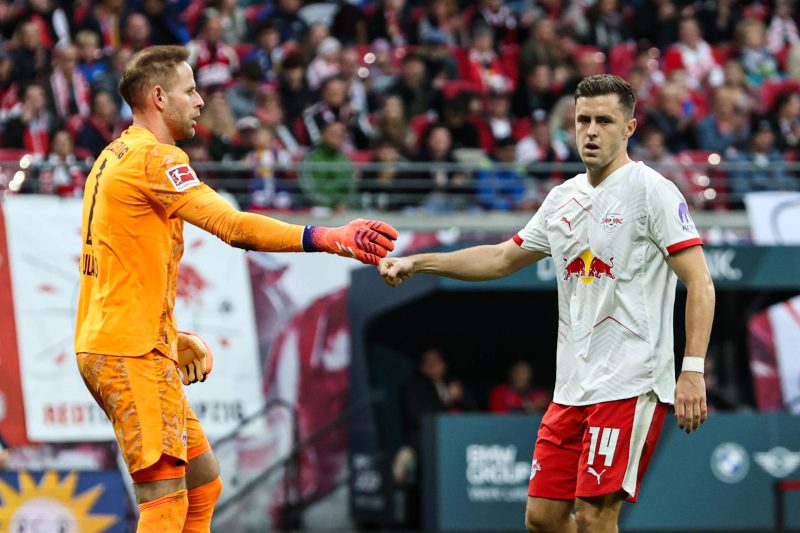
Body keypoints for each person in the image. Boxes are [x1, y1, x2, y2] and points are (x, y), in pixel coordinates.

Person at [74, 45, 398, 533]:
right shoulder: (156, 160)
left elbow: (118, 270)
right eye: (190, 90)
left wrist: (169, 333)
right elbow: (232, 226)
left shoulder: (111, 156)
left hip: (131, 341)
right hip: (129, 353)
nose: (201, 101)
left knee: (203, 482)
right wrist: (326, 237)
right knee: (163, 500)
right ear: (159, 97)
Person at [379, 74, 715, 533]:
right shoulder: (562, 198)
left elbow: (700, 281)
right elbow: (500, 258)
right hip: (571, 387)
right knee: (543, 517)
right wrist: (419, 262)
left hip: (630, 382)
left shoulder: (651, 190)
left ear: (630, 127)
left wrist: (692, 368)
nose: (591, 131)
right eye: (582, 121)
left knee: (596, 514)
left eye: (604, 121)